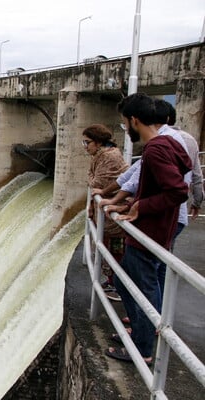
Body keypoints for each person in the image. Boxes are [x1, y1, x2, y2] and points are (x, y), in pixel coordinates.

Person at [103, 93, 191, 366]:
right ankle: (140, 334)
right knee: (125, 281)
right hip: (152, 229)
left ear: (135, 120)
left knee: (141, 286)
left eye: (125, 123)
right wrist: (134, 203)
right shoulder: (169, 144)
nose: (126, 129)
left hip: (150, 231)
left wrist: (143, 207)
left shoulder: (156, 148)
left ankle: (142, 349)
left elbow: (177, 190)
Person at [82, 124, 129, 301]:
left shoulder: (109, 157)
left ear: (98, 142)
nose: (85, 146)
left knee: (115, 250)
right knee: (109, 249)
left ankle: (117, 285)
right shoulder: (103, 156)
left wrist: (95, 184)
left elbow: (97, 183)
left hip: (112, 217)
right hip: (106, 214)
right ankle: (112, 281)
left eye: (87, 142)